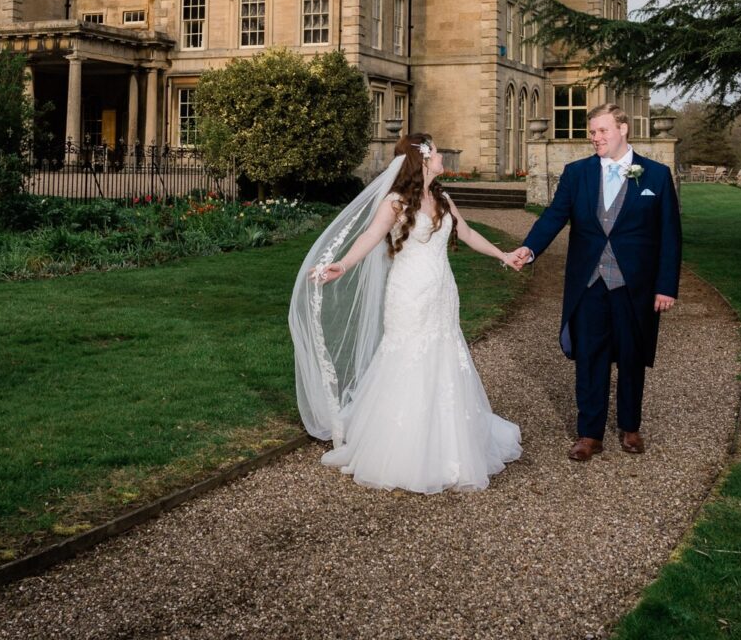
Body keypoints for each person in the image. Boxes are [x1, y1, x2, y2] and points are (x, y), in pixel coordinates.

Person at [289, 133, 522, 492]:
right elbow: (370, 236)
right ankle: (403, 450)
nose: (443, 154)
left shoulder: (442, 197)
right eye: (437, 150)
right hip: (409, 293)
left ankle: (448, 444)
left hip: (442, 291)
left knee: (445, 355)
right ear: (424, 159)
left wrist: (504, 255)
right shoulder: (396, 202)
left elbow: (468, 232)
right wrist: (344, 264)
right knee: (409, 357)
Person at [505, 104, 681, 462]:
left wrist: (666, 286)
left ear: (623, 129)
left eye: (602, 131)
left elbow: (670, 236)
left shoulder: (656, 176)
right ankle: (589, 434)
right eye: (592, 133)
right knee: (589, 357)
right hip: (589, 283)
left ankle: (630, 427)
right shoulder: (577, 173)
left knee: (632, 356)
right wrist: (530, 248)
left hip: (637, 286)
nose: (595, 138)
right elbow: (554, 216)